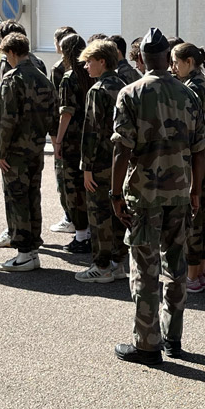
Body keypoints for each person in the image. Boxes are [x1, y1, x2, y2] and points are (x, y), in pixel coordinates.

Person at [110, 27, 205, 365]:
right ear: (168, 58)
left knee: (145, 268)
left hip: (144, 195)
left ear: (141, 58)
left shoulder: (130, 94)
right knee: (176, 267)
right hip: (179, 193)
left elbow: (121, 149)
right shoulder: (188, 94)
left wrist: (114, 193)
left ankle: (147, 344)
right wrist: (196, 190)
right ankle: (173, 339)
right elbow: (201, 148)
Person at [0, 31, 59, 271]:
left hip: (16, 151)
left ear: (12, 52)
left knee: (16, 198)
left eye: (6, 55)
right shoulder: (43, 78)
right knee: (32, 196)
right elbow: (53, 114)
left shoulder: (12, 79)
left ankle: (23, 253)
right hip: (36, 148)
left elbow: (5, 120)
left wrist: (0, 151)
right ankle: (32, 250)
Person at [75, 38, 129, 282]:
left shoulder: (98, 91)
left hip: (100, 162)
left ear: (102, 61)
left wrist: (86, 167)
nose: (86, 66)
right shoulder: (124, 86)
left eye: (89, 61)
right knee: (118, 213)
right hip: (120, 161)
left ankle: (102, 266)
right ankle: (117, 263)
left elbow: (91, 132)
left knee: (99, 216)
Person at [172, 42, 205, 293]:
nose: (173, 67)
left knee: (192, 216)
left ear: (189, 62)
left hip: (193, 160)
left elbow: (185, 129)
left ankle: (192, 275)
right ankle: (199, 272)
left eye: (176, 62)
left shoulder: (191, 88)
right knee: (202, 214)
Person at [0, 18, 39, 251]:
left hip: (16, 142)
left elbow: (4, 110)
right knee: (32, 194)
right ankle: (32, 242)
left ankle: (16, 237)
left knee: (15, 193)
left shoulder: (10, 68)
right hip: (35, 140)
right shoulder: (37, 63)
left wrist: (0, 148)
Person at [53, 32, 93, 255]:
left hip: (72, 140)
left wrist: (58, 141)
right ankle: (92, 232)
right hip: (91, 137)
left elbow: (66, 113)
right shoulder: (91, 73)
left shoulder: (69, 77)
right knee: (90, 186)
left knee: (73, 188)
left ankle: (80, 235)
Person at [49, 25, 78, 235]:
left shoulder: (60, 70)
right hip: (82, 132)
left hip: (66, 132)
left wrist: (55, 138)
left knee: (64, 178)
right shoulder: (86, 67)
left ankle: (70, 218)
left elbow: (57, 106)